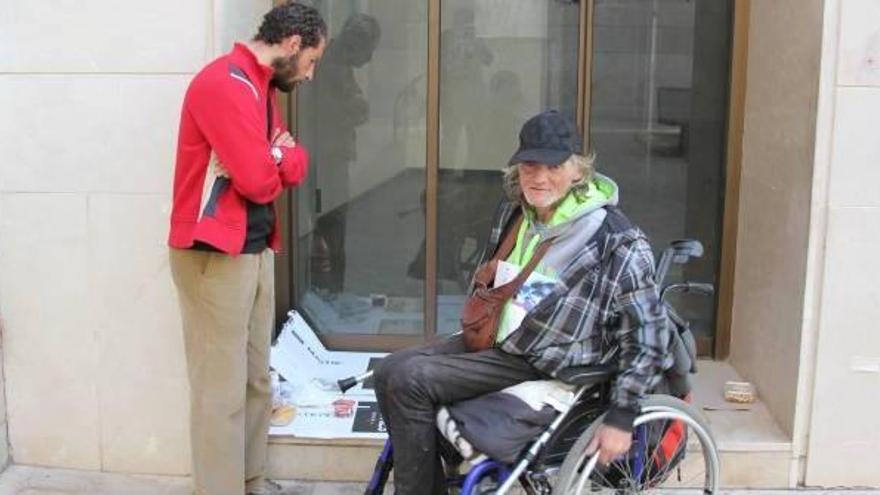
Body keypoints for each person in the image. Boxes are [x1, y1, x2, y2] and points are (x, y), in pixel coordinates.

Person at [374, 110, 672, 495]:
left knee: (410, 380)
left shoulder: (617, 240)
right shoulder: (517, 212)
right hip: (499, 343)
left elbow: (648, 334)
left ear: (578, 171)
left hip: (545, 360)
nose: (540, 177)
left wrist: (622, 416)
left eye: (554, 166)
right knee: (389, 370)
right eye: (530, 165)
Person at [167, 3, 326, 495]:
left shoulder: (257, 86)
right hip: (212, 256)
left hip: (254, 250)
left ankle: (250, 481)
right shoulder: (224, 83)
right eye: (313, 61)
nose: (311, 74)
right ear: (293, 43)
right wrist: (276, 151)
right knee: (221, 391)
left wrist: (275, 152)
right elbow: (260, 181)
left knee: (256, 380)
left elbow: (295, 167)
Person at [310, 13, 381, 296]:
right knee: (333, 225)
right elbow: (351, 110)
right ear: (356, 44)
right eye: (368, 51)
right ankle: (331, 290)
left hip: (327, 154)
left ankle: (330, 288)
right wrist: (356, 109)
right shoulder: (332, 67)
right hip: (326, 157)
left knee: (331, 224)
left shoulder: (333, 62)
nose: (370, 59)